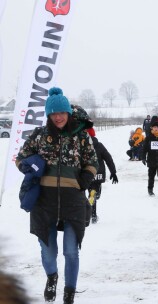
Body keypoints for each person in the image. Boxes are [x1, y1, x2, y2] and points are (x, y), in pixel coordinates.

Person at [15, 87, 98, 304]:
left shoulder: (81, 137)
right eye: (54, 113)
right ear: (49, 115)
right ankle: (52, 277)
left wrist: (84, 180)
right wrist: (31, 167)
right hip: (44, 202)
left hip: (73, 201)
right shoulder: (39, 136)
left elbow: (93, 162)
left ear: (68, 113)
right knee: (49, 251)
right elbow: (21, 157)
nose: (58, 117)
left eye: (62, 112)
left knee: (71, 251)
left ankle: (69, 292)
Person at [86, 127, 118, 224]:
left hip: (87, 174)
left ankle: (93, 215)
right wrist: (113, 172)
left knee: (91, 191)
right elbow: (108, 158)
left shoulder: (82, 145)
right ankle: (95, 194)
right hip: (99, 173)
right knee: (96, 190)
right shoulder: (99, 145)